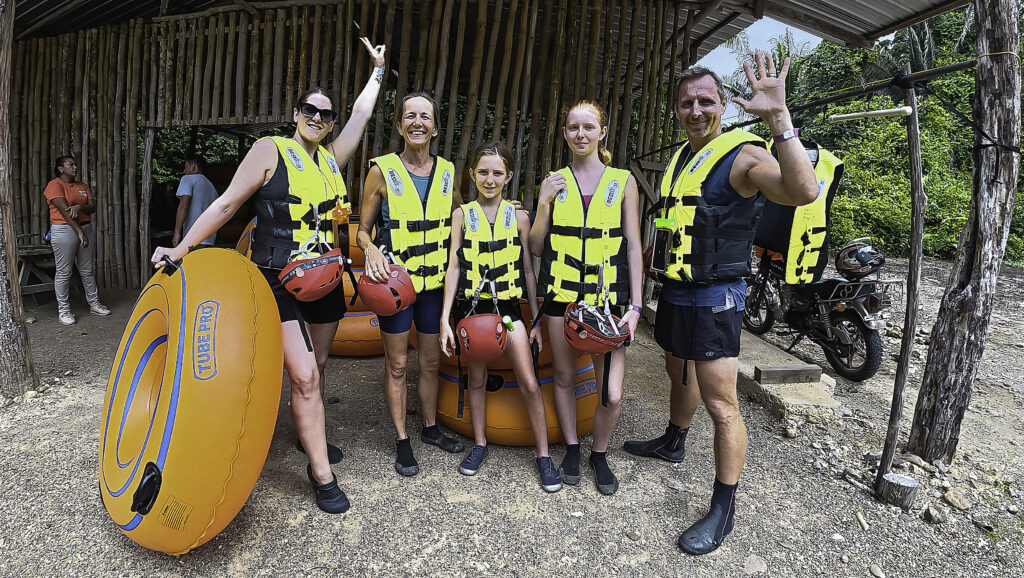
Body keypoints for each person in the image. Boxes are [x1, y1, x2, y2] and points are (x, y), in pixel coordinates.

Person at [152, 38, 387, 514]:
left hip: (323, 277)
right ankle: (322, 474)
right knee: (302, 375)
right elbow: (226, 204)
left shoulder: (331, 158)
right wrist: (182, 247)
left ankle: (308, 435)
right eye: (309, 110)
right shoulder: (269, 150)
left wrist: (378, 70)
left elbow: (362, 115)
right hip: (277, 278)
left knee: (318, 368)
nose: (317, 118)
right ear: (295, 112)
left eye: (325, 114)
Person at [623, 53, 819, 555]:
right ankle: (673, 440)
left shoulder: (744, 156)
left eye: (705, 100)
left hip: (716, 295)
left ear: (722, 105)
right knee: (677, 371)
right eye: (686, 102)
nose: (695, 109)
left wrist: (779, 119)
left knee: (721, 402)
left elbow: (803, 190)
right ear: (676, 111)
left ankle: (723, 507)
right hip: (676, 288)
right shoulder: (680, 160)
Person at [528, 100, 644, 496]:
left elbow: (632, 246)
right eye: (573, 127)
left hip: (607, 300)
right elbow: (537, 246)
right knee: (562, 376)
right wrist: (543, 202)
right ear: (565, 133)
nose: (581, 134)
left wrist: (636, 308)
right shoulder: (554, 181)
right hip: (561, 295)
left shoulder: (623, 181)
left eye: (588, 127)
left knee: (610, 391)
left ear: (601, 132)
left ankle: (600, 452)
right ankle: (574, 449)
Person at [438, 141, 562, 492]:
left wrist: (535, 322)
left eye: (496, 173)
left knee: (528, 381)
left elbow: (528, 270)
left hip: (508, 315)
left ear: (508, 176)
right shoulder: (462, 215)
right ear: (472, 174)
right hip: (472, 313)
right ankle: (479, 443)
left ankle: (543, 455)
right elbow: (454, 266)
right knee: (475, 380)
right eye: (482, 172)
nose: (489, 179)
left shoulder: (519, 216)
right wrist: (445, 319)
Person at [358, 92, 467, 476]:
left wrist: (504, 210)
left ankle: (430, 428)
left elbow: (462, 217)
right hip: (396, 285)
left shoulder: (450, 171)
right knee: (399, 363)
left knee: (432, 360)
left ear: (435, 127)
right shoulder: (380, 170)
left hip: (435, 284)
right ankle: (403, 439)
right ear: (401, 125)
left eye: (425, 116)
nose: (417, 122)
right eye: (410, 116)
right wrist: (369, 249)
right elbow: (362, 230)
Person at [43, 155, 111, 325]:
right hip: (64, 230)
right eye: (70, 164)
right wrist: (79, 232)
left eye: (75, 164)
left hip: (86, 227)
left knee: (87, 270)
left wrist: (80, 207)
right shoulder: (54, 185)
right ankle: (64, 311)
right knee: (64, 272)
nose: (75, 167)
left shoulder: (82, 186)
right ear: (60, 168)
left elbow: (92, 207)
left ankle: (94, 304)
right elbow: (65, 212)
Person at [173, 156, 218, 247]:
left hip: (193, 239)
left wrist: (177, 232)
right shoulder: (211, 187)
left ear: (193, 167)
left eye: (186, 167)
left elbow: (184, 206)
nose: (184, 171)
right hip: (210, 239)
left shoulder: (188, 179)